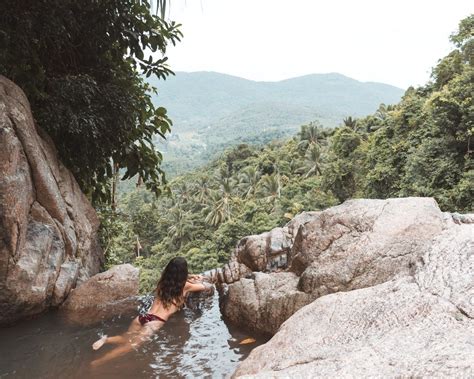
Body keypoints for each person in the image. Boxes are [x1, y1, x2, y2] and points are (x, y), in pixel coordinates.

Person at [91, 257, 210, 367]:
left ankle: (106, 339)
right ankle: (99, 362)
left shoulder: (162, 282)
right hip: (155, 322)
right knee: (131, 346)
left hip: (143, 316)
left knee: (125, 338)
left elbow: (175, 279)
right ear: (184, 273)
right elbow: (204, 287)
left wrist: (191, 277)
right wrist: (198, 279)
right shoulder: (185, 286)